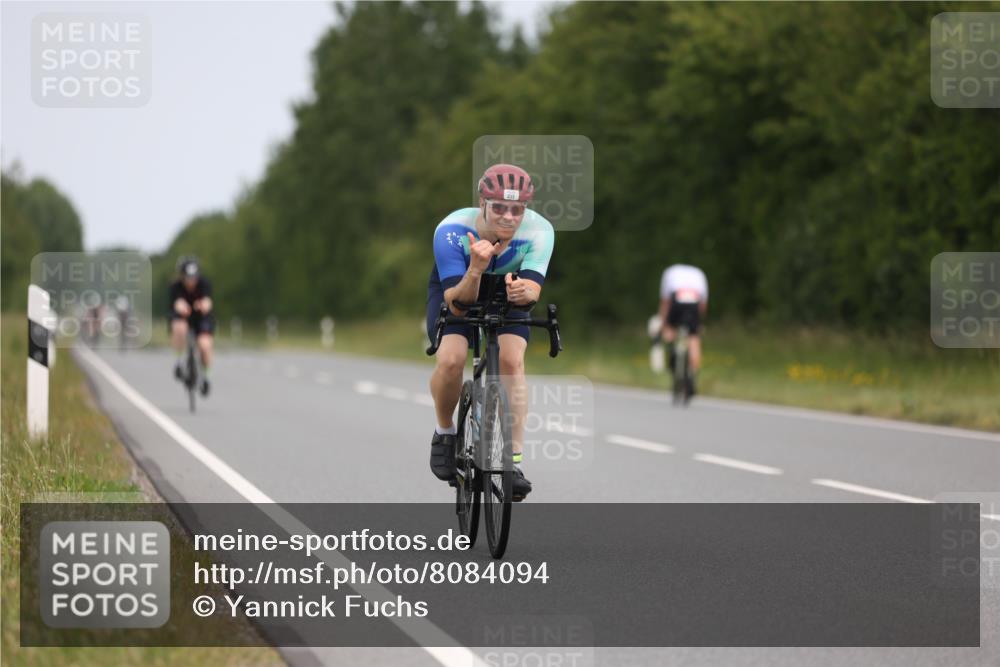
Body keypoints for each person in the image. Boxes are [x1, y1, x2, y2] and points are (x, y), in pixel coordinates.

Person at [426, 164, 554, 501]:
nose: (509, 217)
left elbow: (532, 290)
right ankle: (445, 431)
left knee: (512, 362)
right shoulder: (452, 231)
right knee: (452, 361)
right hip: (461, 283)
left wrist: (526, 294)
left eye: (517, 209)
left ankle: (512, 463)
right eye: (499, 207)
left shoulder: (540, 231)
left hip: (506, 289)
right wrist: (476, 269)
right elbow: (456, 306)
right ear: (482, 202)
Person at [658, 264, 708, 395]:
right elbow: (703, 305)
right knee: (693, 338)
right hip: (694, 300)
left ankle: (673, 356)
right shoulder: (699, 273)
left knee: (669, 330)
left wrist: (664, 325)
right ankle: (692, 374)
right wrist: (697, 324)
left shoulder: (669, 272)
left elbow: (665, 302)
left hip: (677, 298)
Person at [169, 256, 214, 396]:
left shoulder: (204, 284)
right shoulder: (175, 286)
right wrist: (182, 307)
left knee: (204, 346)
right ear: (182, 276)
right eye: (188, 277)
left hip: (201, 318)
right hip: (183, 315)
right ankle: (180, 362)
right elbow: (177, 303)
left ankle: (205, 377)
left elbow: (208, 302)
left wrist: (202, 306)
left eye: (194, 277)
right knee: (179, 327)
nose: (191, 281)